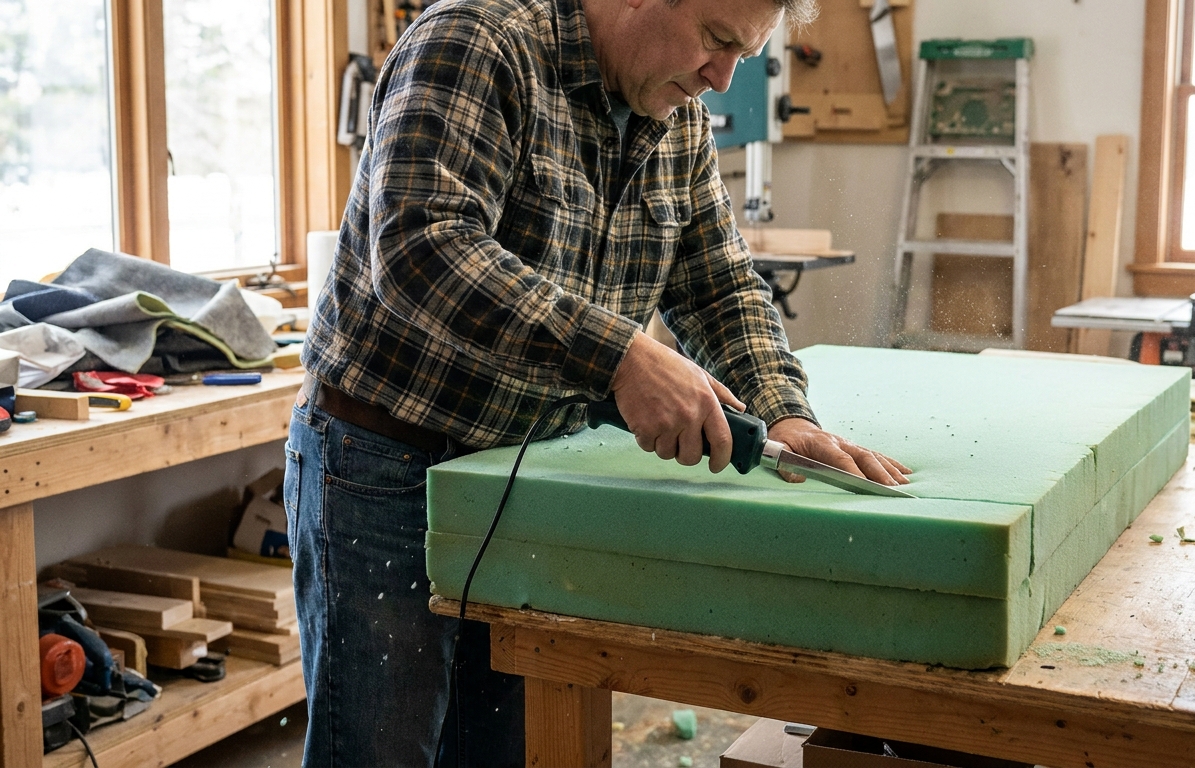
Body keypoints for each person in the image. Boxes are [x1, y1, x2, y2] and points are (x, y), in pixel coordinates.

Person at [284, 0, 911, 763]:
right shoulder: (479, 43)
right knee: (382, 749)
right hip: (388, 468)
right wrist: (620, 356)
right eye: (716, 41)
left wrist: (784, 415)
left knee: (507, 746)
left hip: (523, 476)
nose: (723, 77)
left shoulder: (672, 114)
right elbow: (423, 246)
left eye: (744, 54)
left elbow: (718, 284)